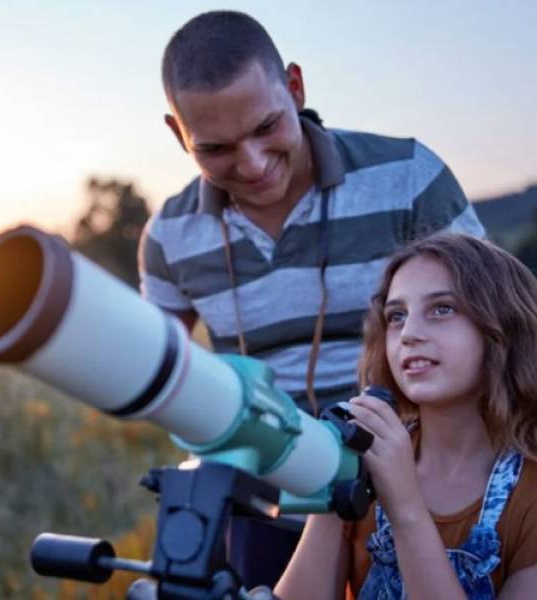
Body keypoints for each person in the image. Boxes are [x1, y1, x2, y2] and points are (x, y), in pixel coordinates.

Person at [138, 10, 486, 588]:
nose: (251, 164)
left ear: (295, 88)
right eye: (216, 147)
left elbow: (491, 329)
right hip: (264, 501)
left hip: (415, 487)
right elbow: (161, 378)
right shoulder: (169, 237)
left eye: (266, 127)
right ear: (179, 135)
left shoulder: (408, 177)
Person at [274, 233, 537, 599]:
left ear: (503, 328)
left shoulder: (530, 495)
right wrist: (333, 486)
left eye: (442, 308)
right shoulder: (365, 458)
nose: (409, 333)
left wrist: (406, 506)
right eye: (396, 316)